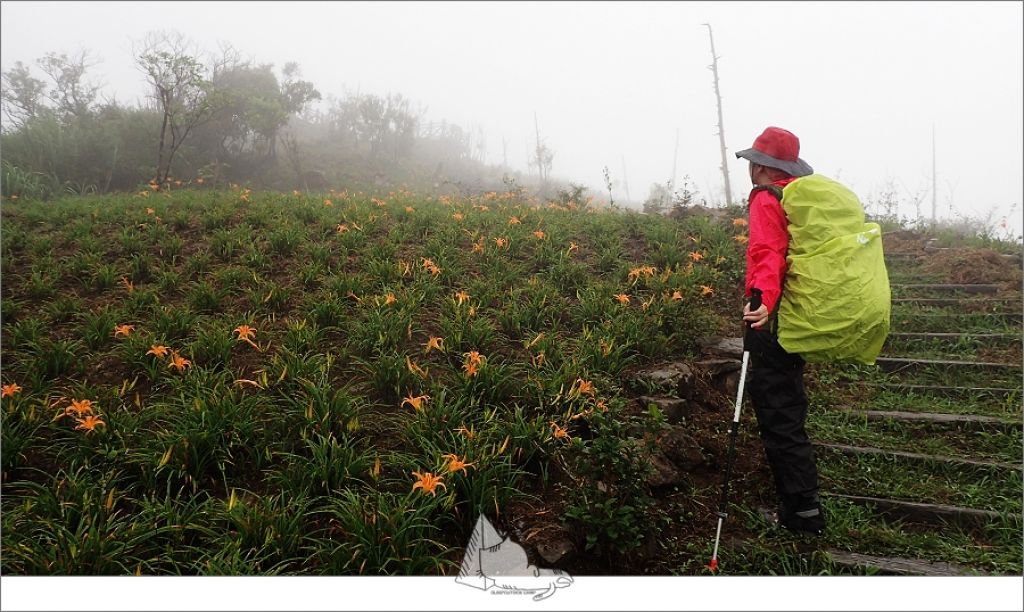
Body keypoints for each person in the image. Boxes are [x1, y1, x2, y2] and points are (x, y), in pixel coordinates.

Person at [734, 126, 891, 536]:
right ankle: (800, 504)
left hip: (774, 320)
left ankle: (801, 512)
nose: (751, 168)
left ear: (762, 167)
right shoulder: (807, 200)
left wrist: (762, 302)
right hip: (804, 314)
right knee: (789, 407)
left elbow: (768, 253)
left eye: (755, 162)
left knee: (778, 413)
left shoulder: (769, 199)